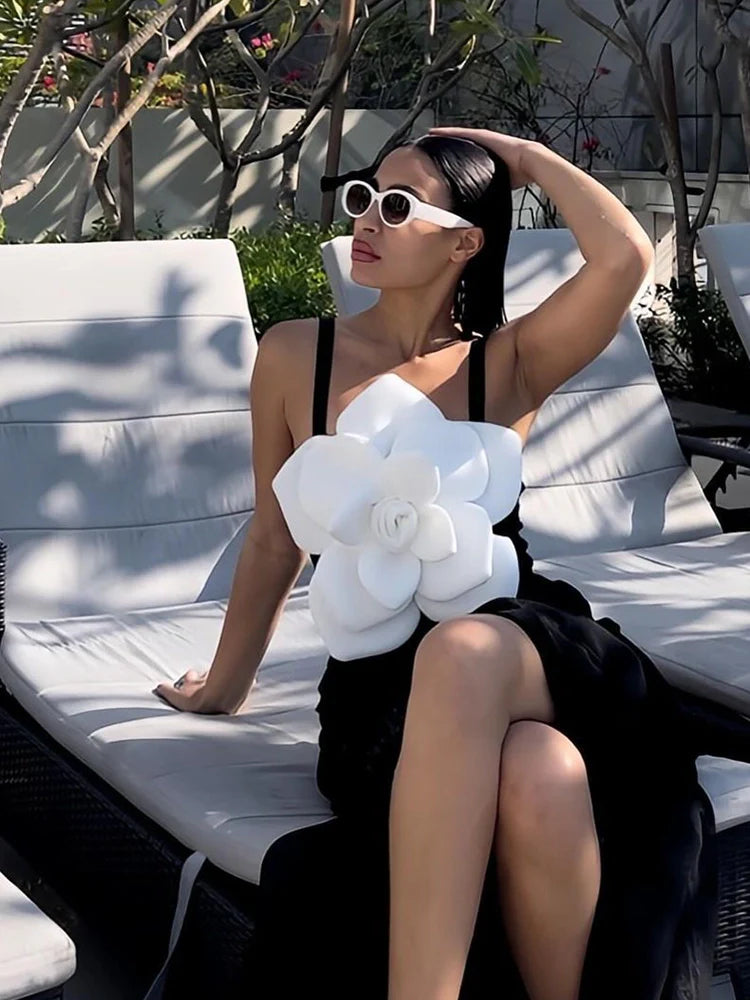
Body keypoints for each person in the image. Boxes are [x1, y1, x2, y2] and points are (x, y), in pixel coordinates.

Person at [152, 127, 749, 1000]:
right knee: (540, 771)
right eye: (363, 197)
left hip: (528, 644)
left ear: (465, 242)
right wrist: (224, 687)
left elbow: (622, 256)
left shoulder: (507, 362)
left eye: (398, 207)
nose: (366, 220)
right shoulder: (295, 355)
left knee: (464, 648)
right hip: (381, 699)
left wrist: (522, 159)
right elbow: (277, 538)